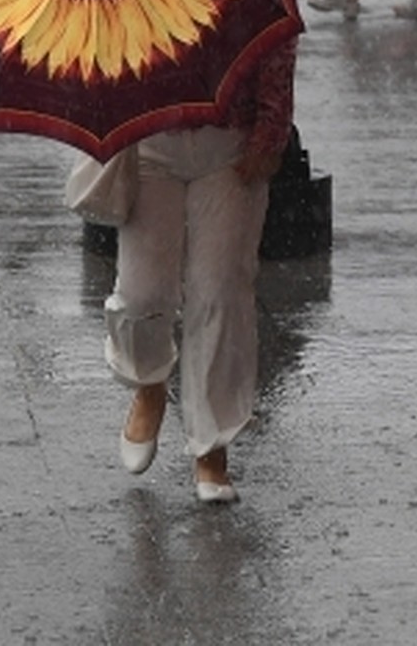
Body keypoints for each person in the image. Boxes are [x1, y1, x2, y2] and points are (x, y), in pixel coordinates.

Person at [101, 38, 297, 504]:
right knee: (142, 295)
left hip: (230, 144)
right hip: (148, 139)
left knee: (221, 291)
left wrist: (271, 131)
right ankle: (149, 380)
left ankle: (212, 445)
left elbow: (277, 38)